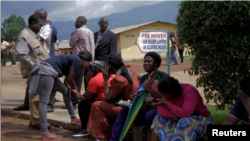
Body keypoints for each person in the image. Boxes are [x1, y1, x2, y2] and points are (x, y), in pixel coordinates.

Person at [27, 50, 92, 140]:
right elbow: (70, 80)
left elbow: (66, 82)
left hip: (49, 72)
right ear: (85, 60)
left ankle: (73, 117)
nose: (87, 66)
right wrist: (76, 92)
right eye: (88, 63)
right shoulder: (77, 60)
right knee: (43, 101)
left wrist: (74, 91)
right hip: (46, 72)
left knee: (65, 91)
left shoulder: (72, 60)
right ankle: (44, 133)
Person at [110, 52, 169, 141]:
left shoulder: (163, 77)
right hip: (145, 107)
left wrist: (150, 89)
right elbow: (140, 95)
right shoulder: (144, 78)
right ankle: (114, 139)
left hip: (159, 107)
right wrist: (136, 104)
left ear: (156, 63)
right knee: (123, 111)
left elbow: (165, 97)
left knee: (149, 116)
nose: (145, 63)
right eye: (144, 61)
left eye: (149, 61)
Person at [14, 10, 53, 130]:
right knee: (35, 97)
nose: (41, 27)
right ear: (33, 23)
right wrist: (33, 65)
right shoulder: (25, 35)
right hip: (35, 71)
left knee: (39, 97)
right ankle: (36, 121)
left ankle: (35, 120)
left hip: (41, 70)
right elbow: (20, 53)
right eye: (39, 25)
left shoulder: (33, 35)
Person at [86, 53, 140, 140]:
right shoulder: (130, 70)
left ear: (111, 66)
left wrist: (106, 80)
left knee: (96, 105)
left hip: (126, 108)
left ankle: (100, 136)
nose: (105, 67)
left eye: (106, 65)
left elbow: (107, 98)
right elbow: (140, 77)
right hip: (134, 105)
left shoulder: (119, 79)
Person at [150, 76, 213, 141]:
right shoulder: (167, 94)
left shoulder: (189, 91)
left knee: (184, 122)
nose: (163, 97)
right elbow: (160, 109)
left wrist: (167, 104)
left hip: (201, 119)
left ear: (172, 92)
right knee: (158, 118)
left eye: (164, 95)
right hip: (177, 118)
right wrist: (172, 115)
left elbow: (185, 113)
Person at [72, 60, 115, 139]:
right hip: (113, 102)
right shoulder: (111, 76)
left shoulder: (95, 79)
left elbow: (88, 97)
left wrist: (89, 80)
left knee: (83, 104)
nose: (87, 72)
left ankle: (85, 130)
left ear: (92, 71)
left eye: (88, 70)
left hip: (104, 103)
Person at [62, 16, 95, 110]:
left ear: (81, 22)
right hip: (89, 60)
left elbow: (71, 43)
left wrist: (72, 35)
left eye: (76, 22)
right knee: (88, 82)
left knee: (76, 81)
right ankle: (87, 100)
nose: (75, 23)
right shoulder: (90, 32)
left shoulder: (79, 31)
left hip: (80, 61)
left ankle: (73, 102)